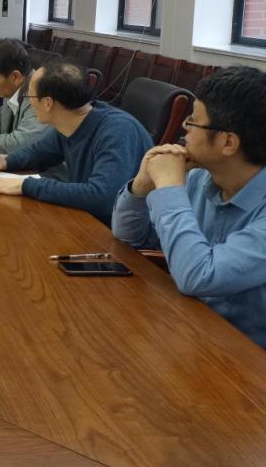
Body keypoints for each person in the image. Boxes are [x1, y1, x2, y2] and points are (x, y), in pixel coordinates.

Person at [112, 66, 266, 348]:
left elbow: (199, 276)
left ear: (228, 142)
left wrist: (169, 188)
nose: (185, 127)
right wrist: (141, 188)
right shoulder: (198, 178)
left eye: (193, 121)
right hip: (191, 331)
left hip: (247, 356)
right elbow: (130, 236)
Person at [0, 57, 152, 226]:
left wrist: (25, 185)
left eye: (29, 97)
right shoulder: (69, 122)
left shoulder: (118, 130)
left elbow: (101, 197)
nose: (29, 103)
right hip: (88, 219)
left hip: (118, 234)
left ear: (48, 103)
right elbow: (38, 153)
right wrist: (2, 161)